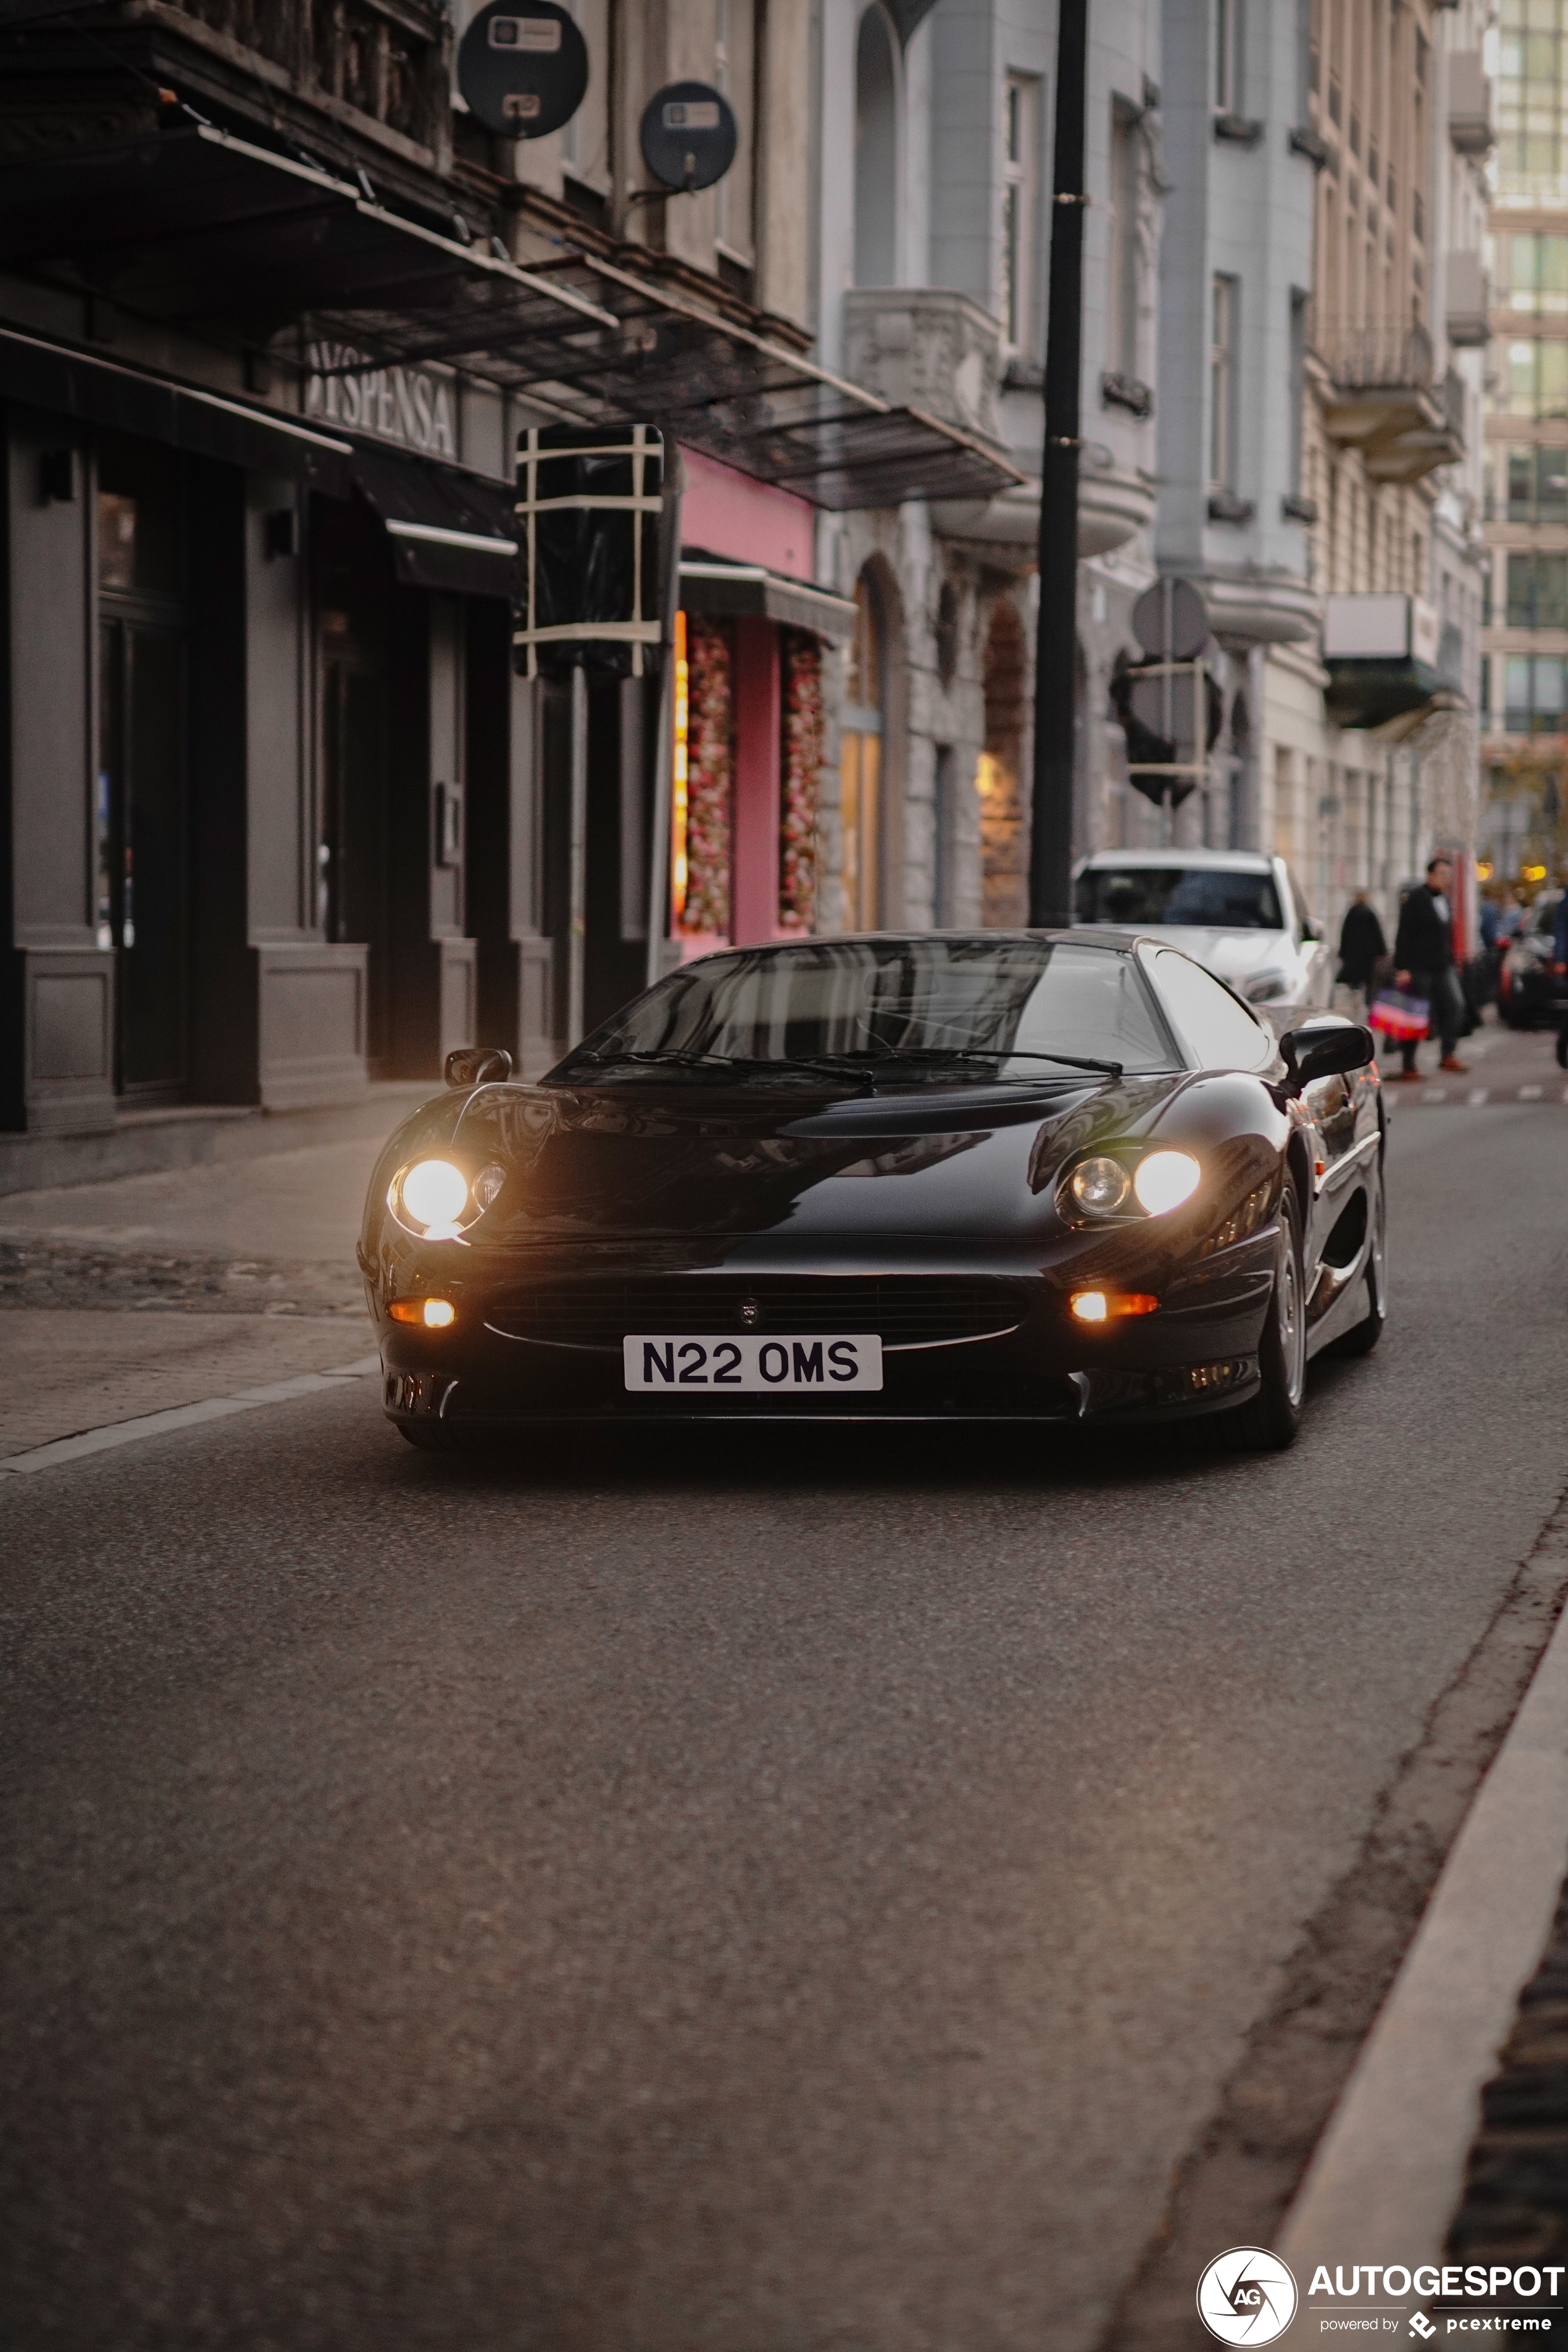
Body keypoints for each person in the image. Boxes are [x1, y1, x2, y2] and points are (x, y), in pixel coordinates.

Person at [1392, 855, 1466, 1080]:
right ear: (1430, 875)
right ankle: (1409, 1064)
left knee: (1455, 1005)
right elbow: (1403, 935)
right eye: (1442, 874)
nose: (1446, 879)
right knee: (1416, 1014)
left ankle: (1448, 1054)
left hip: (1443, 965)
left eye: (1448, 875)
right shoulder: (1415, 900)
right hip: (1420, 966)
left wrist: (1453, 958)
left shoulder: (1444, 900)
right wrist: (1403, 967)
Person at [1337, 891, 1387, 1010]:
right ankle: (1367, 1000)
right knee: (1368, 978)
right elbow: (1377, 933)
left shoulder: (1351, 913)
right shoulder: (1370, 913)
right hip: (1368, 954)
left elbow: (1345, 934)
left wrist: (1343, 952)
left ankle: (1356, 994)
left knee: (1354, 978)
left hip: (1353, 953)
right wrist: (1382, 951)